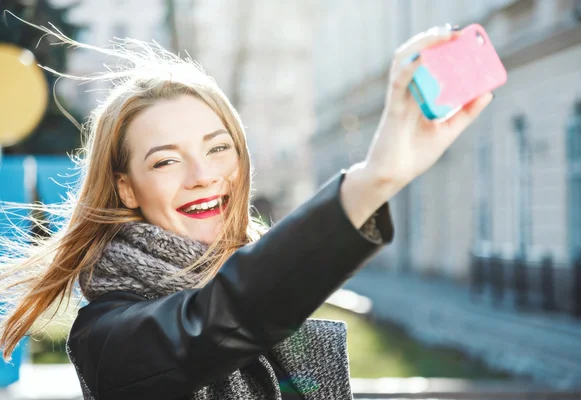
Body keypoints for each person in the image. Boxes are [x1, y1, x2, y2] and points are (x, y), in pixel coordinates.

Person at [0, 21, 492, 400]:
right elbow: (223, 317)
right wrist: (374, 179)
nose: (203, 175)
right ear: (126, 189)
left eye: (218, 148)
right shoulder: (108, 338)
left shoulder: (262, 293)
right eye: (166, 160)